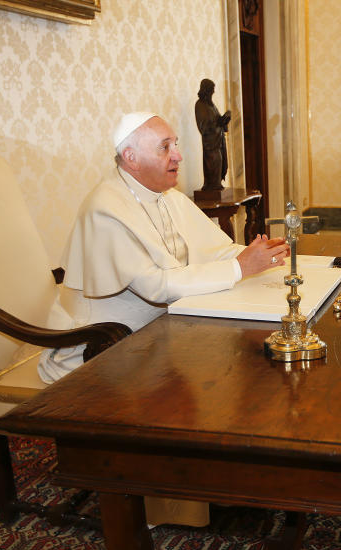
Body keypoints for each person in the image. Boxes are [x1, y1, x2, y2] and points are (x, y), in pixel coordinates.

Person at [38, 112, 289, 526]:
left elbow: (213, 250)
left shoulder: (167, 195)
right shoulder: (107, 207)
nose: (178, 155)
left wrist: (254, 256)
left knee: (244, 355)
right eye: (166, 147)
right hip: (105, 346)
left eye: (176, 144)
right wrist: (241, 268)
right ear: (130, 157)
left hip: (160, 327)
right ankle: (178, 496)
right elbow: (154, 287)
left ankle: (227, 479)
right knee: (228, 367)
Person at [195, 79, 231, 191]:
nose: (213, 92)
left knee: (220, 163)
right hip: (210, 144)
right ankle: (212, 186)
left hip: (218, 141)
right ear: (206, 90)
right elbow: (204, 127)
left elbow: (217, 120)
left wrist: (224, 119)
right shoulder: (200, 105)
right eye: (211, 90)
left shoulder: (211, 105)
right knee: (214, 163)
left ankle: (216, 185)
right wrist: (219, 122)